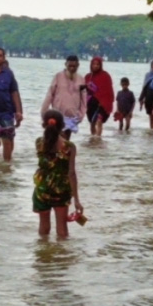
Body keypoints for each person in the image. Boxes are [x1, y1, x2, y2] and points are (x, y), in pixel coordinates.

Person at [33, 110, 82, 238]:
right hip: (61, 190)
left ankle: (44, 255)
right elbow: (71, 173)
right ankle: (61, 256)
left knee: (43, 228)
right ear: (62, 126)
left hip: (42, 188)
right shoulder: (69, 146)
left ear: (44, 125)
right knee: (62, 229)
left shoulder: (39, 143)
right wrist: (76, 200)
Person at [39, 55, 85, 138]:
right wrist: (44, 112)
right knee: (56, 137)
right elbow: (50, 94)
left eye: (74, 66)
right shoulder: (58, 76)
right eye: (69, 66)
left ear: (78, 65)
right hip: (57, 115)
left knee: (66, 141)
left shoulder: (81, 79)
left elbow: (84, 99)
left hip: (72, 116)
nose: (72, 68)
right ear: (65, 64)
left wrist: (81, 115)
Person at [84, 56, 114, 137]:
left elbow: (109, 90)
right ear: (91, 65)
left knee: (99, 121)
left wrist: (104, 101)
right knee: (92, 122)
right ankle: (93, 139)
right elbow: (84, 90)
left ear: (100, 65)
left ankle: (98, 138)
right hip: (90, 103)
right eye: (94, 64)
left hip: (102, 103)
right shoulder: (88, 76)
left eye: (97, 64)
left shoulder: (105, 76)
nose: (95, 66)